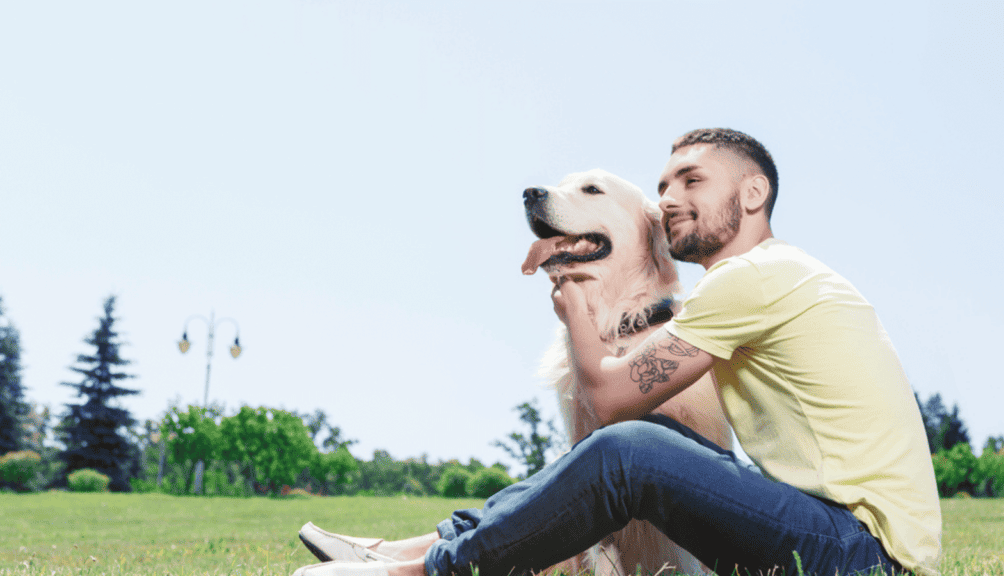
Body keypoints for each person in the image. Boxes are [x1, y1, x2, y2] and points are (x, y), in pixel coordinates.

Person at [291, 129, 942, 576]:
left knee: (627, 449)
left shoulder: (756, 276)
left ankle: (422, 568)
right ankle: (414, 548)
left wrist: (574, 304)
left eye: (693, 180)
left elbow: (608, 404)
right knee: (638, 443)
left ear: (753, 194)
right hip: (841, 542)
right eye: (665, 185)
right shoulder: (758, 281)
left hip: (861, 557)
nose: (671, 199)